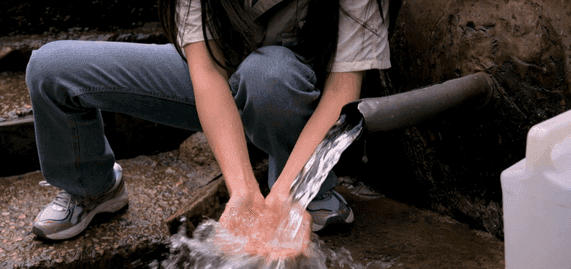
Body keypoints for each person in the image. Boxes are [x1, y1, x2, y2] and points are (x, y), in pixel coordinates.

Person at [25, 0, 390, 253]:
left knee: (268, 75)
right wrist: (242, 193)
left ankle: (311, 191)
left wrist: (287, 197)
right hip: (218, 80)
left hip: (292, 94)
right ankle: (91, 187)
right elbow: (207, 72)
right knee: (52, 69)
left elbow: (343, 89)